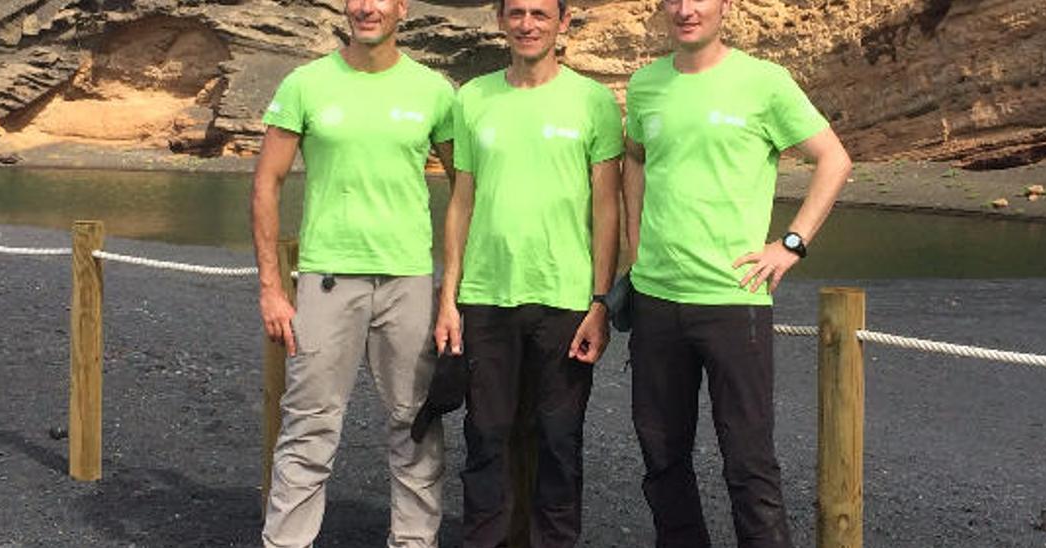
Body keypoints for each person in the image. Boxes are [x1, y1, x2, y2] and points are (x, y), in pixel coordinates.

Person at [622, 0, 852, 545]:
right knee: (661, 457)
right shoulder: (645, 84)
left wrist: (791, 244)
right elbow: (634, 158)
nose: (685, 9)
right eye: (672, 0)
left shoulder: (764, 82)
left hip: (734, 298)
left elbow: (834, 160)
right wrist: (633, 254)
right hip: (654, 299)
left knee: (748, 462)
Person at [249, 0, 456, 544]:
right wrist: (272, 287)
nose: (367, 7)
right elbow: (266, 182)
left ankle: (414, 541)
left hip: (408, 280)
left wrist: (454, 291)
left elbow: (467, 191)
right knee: (309, 424)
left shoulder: (434, 91)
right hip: (326, 279)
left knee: (416, 423)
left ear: (401, 8)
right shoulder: (305, 83)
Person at [432, 0, 623, 544]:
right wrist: (449, 297)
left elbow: (607, 207)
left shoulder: (594, 101)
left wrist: (601, 302)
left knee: (560, 441)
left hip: (566, 300)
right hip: (485, 297)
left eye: (541, 13)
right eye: (516, 13)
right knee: (486, 437)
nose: (527, 24)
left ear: (564, 22)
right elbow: (461, 201)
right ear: (499, 21)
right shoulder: (472, 98)